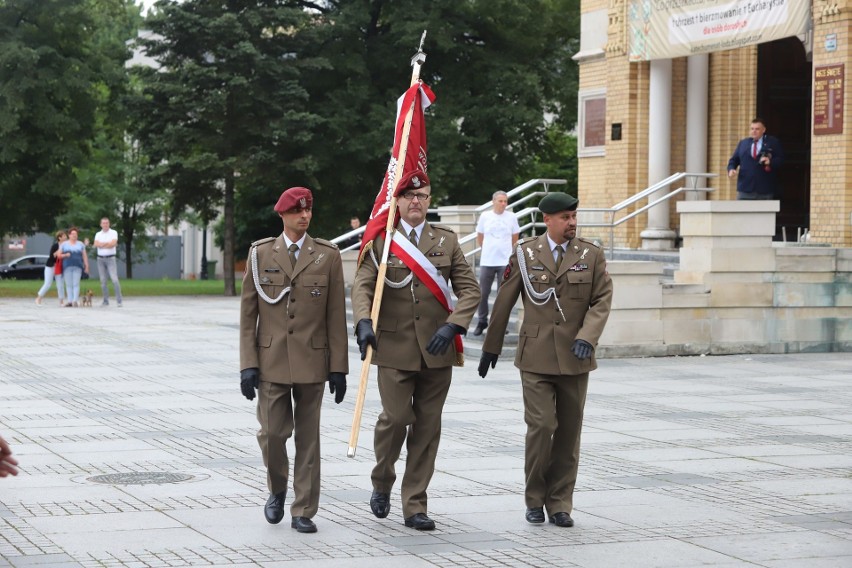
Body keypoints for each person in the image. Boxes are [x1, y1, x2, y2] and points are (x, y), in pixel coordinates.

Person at [351, 171, 480, 531]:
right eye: (408, 195)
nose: (415, 202)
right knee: (394, 420)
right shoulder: (382, 240)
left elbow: (470, 290)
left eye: (422, 196)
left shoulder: (446, 241)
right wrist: (363, 321)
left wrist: (454, 324)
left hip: (437, 350)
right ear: (397, 200)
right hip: (392, 347)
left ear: (429, 199)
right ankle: (382, 480)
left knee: (427, 428)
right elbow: (362, 286)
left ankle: (415, 504)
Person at [478, 192, 612, 528]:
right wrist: (491, 347)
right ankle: (535, 499)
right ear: (547, 220)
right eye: (565, 218)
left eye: (574, 217)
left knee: (568, 433)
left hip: (574, 357)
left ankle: (560, 503)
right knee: (541, 427)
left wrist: (587, 338)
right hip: (535, 358)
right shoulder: (525, 253)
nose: (572, 223)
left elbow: (601, 300)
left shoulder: (591, 254)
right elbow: (505, 299)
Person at [239, 186, 348, 534]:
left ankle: (303, 509)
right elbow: (248, 315)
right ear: (283, 215)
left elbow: (334, 316)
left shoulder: (327, 255)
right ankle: (278, 489)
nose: (304, 216)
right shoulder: (260, 254)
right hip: (270, 360)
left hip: (313, 360)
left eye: (308, 211)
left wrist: (338, 368)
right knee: (272, 434)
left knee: (308, 438)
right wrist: (247, 364)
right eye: (297, 211)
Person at [473, 190, 520, 336]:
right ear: (493, 201)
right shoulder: (485, 216)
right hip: (487, 260)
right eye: (500, 201)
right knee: (483, 293)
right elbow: (480, 237)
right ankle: (482, 321)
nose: (503, 204)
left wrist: (508, 254)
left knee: (502, 296)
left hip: (504, 262)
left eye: (505, 201)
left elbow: (515, 238)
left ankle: (499, 324)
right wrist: (487, 249)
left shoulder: (511, 217)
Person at [727, 117, 785, 200]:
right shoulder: (743, 143)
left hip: (765, 189)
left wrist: (770, 162)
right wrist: (731, 169)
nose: (754, 131)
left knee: (764, 213)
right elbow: (734, 160)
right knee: (742, 212)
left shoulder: (772, 142)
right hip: (745, 188)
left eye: (757, 129)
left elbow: (781, 160)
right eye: (752, 129)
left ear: (763, 130)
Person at [93, 217, 123, 307]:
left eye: (107, 223)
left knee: (114, 279)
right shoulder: (98, 234)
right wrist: (106, 244)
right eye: (103, 223)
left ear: (109, 224)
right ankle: (105, 300)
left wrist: (102, 244)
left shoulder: (113, 233)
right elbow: (96, 244)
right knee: (103, 281)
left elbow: (113, 244)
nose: (105, 225)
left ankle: (119, 300)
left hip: (110, 258)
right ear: (101, 224)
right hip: (100, 259)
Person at [35, 230, 67, 306]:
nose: (66, 237)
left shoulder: (66, 245)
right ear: (59, 238)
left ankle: (61, 301)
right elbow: (52, 256)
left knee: (60, 284)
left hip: (60, 267)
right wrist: (59, 250)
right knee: (47, 283)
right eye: (64, 236)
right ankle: (38, 298)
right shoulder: (55, 246)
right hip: (51, 266)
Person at [60, 227, 89, 308]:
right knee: (69, 284)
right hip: (67, 266)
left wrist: (86, 266)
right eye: (72, 234)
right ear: (69, 235)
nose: (74, 235)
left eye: (75, 234)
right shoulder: (64, 244)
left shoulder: (81, 244)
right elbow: (59, 255)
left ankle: (75, 300)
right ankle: (69, 301)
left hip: (78, 266)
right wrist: (65, 255)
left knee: (76, 283)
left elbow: (84, 256)